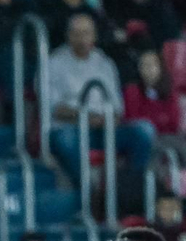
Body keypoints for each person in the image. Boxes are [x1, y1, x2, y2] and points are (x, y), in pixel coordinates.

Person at [44, 14, 149, 187]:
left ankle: (129, 188)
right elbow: (53, 108)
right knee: (65, 140)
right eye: (77, 33)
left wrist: (107, 119)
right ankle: (88, 191)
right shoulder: (53, 63)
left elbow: (117, 107)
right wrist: (85, 117)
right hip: (70, 129)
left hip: (102, 130)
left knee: (144, 131)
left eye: (86, 33)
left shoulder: (104, 63)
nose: (82, 39)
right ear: (68, 36)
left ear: (94, 36)